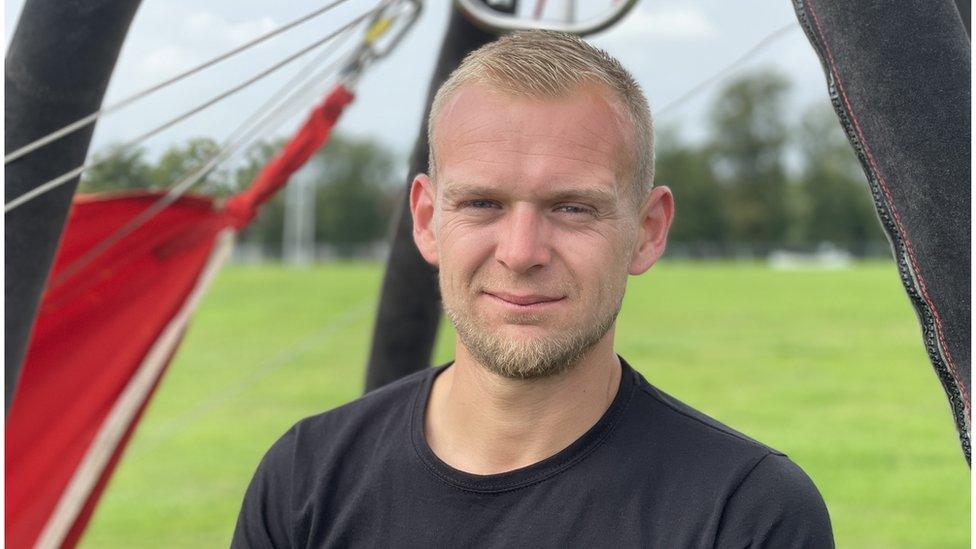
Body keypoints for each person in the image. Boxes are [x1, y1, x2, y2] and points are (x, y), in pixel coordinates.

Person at [232, 30, 833, 548]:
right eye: (483, 203)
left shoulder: (745, 513)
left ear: (648, 232)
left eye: (573, 208)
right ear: (425, 220)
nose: (521, 253)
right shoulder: (305, 479)